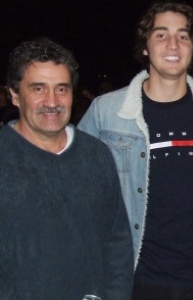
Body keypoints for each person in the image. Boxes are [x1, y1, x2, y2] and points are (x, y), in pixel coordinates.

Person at [78, 0, 193, 300]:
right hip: (134, 281)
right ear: (145, 46)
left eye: (183, 35)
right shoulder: (106, 113)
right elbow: (77, 187)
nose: (173, 43)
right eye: (161, 34)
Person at [0, 37, 133, 300]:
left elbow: (116, 242)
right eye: (38, 89)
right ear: (14, 95)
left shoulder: (97, 155)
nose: (52, 101)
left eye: (62, 89)